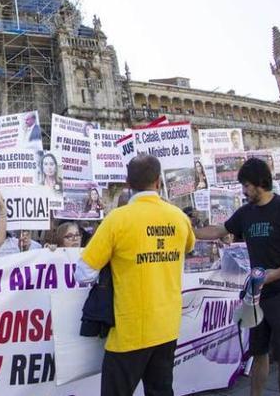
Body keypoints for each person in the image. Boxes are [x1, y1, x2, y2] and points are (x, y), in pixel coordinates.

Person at [76, 154, 195, 396]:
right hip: (167, 325)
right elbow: (189, 247)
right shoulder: (179, 217)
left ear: (128, 184)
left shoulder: (117, 220)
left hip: (130, 330)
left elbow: (84, 272)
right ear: (159, 182)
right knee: (161, 391)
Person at [194, 158, 280, 396]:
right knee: (258, 352)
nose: (244, 191)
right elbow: (217, 230)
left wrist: (276, 274)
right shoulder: (245, 213)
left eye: (246, 185)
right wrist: (187, 231)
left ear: (259, 183)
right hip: (255, 295)